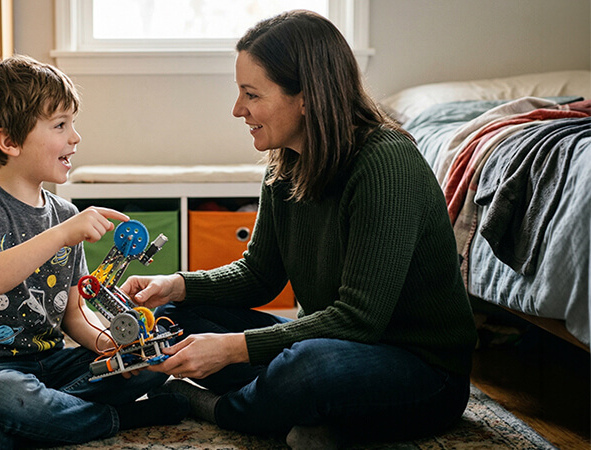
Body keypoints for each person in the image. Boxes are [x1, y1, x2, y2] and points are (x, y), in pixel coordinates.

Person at [122, 10, 478, 449]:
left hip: (421, 370)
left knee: (307, 367)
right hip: (329, 341)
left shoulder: (387, 163)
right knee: (171, 321)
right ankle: (304, 413)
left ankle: (222, 408)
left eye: (251, 94)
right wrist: (174, 285)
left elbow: (359, 320)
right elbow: (259, 274)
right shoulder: (285, 161)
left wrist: (232, 349)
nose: (238, 110)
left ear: (307, 97)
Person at [0, 55, 188, 449]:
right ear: (9, 142)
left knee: (151, 364)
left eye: (73, 123)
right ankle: (118, 418)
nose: (76, 137)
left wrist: (114, 345)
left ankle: (40, 423)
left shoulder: (65, 213)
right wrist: (60, 235)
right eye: (60, 125)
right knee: (10, 398)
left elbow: (74, 313)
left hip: (51, 366)